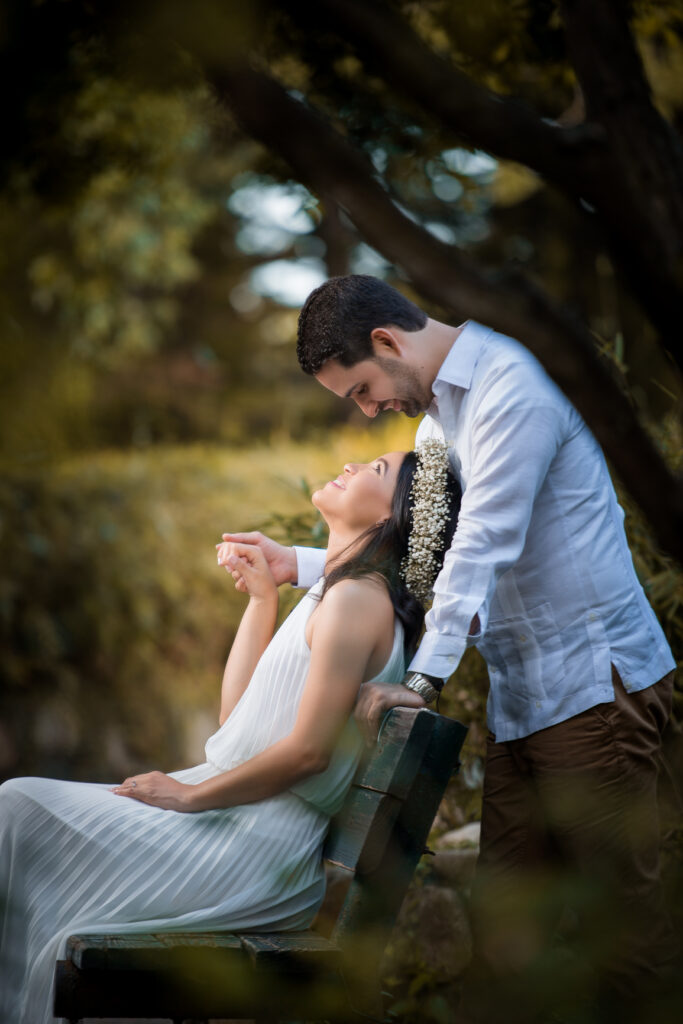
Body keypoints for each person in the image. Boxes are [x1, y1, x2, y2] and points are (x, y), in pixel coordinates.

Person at [224, 274, 677, 1017]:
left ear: (386, 342)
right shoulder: (436, 427)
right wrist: (299, 565)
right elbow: (424, 555)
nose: (370, 410)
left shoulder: (512, 388)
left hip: (596, 690)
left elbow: (481, 546)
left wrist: (425, 681)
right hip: (524, 702)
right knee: (503, 934)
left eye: (362, 390)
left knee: (625, 932)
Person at [0, 442, 462, 1024]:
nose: (351, 465)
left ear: (390, 518)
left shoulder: (356, 603)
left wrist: (188, 797)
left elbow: (310, 754)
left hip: (256, 849)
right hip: (238, 824)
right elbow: (235, 717)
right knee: (17, 812)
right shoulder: (336, 592)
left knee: (16, 807)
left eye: (375, 470)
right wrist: (262, 601)